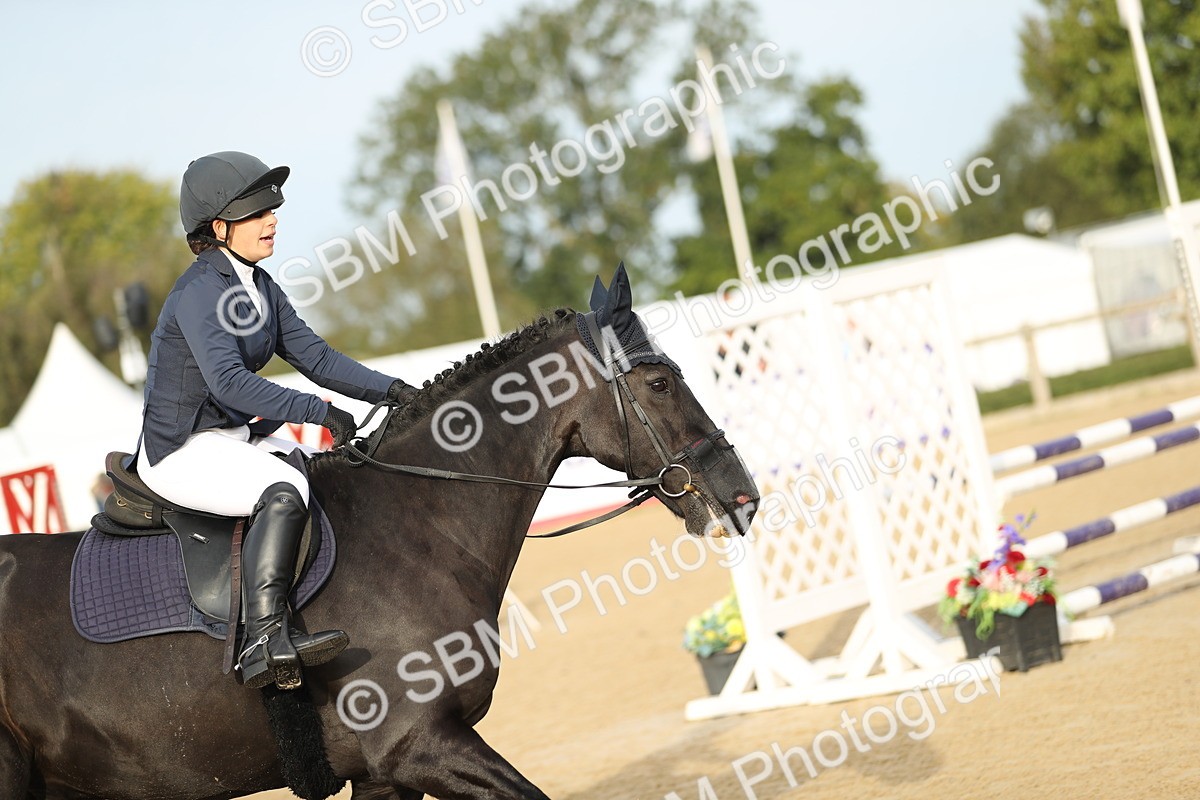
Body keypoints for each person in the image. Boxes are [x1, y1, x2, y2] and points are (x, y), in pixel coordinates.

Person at [136, 151, 418, 691]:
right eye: (257, 212)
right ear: (219, 227)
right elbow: (228, 383)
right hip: (180, 449)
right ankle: (265, 638)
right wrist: (317, 411)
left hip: (231, 437)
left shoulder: (260, 287)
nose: (273, 218)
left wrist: (398, 392)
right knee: (285, 485)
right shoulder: (199, 292)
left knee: (325, 475)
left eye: (273, 208)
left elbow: (318, 358)